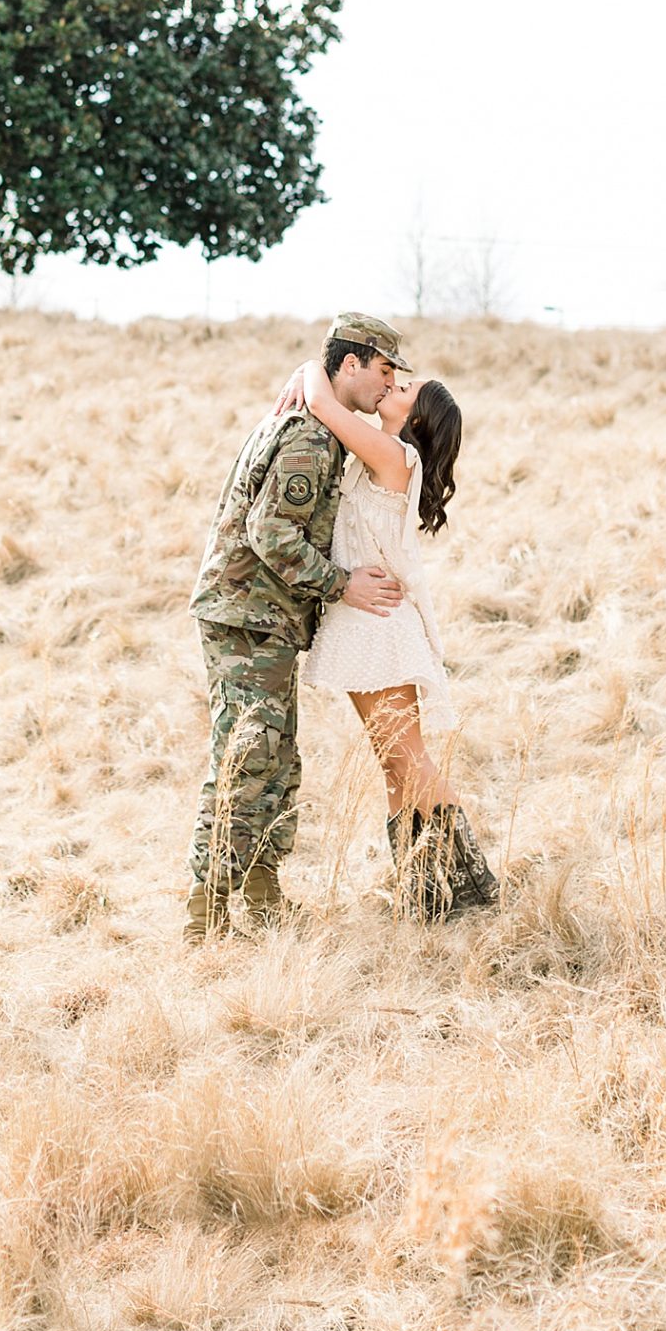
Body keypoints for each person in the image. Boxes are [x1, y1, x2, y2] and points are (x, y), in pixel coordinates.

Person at [184, 312, 412, 944]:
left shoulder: (320, 427)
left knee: (276, 759)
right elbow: (270, 532)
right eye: (383, 368)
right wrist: (343, 584)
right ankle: (204, 915)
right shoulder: (310, 438)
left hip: (267, 619)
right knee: (245, 757)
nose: (387, 383)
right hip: (247, 616)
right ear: (350, 363)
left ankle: (259, 896)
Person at [280, 350, 499, 920]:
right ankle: (426, 895)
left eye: (404, 389)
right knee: (396, 765)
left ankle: (476, 891)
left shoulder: (395, 454)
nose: (390, 387)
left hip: (377, 627)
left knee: (410, 759)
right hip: (370, 624)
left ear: (417, 419)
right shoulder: (382, 455)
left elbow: (324, 401)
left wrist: (309, 366)